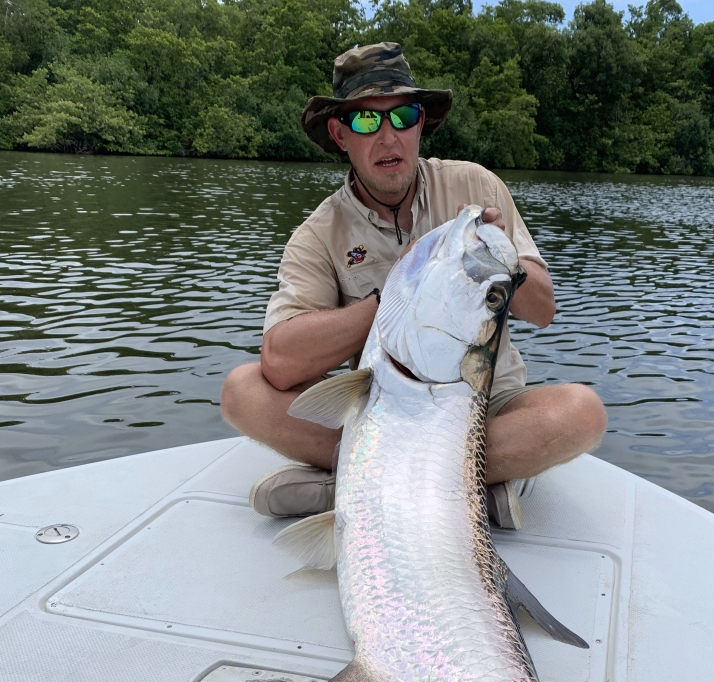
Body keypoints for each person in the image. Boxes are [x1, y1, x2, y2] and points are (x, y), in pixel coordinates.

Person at [221, 42, 606, 529]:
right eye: (365, 121)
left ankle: (346, 490)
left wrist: (502, 256)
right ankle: (471, 496)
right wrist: (399, 292)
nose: (388, 137)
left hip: (484, 408)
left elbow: (544, 309)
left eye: (402, 116)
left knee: (581, 413)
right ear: (340, 134)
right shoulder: (317, 235)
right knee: (242, 391)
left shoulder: (477, 186)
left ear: (421, 123)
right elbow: (279, 361)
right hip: (380, 415)